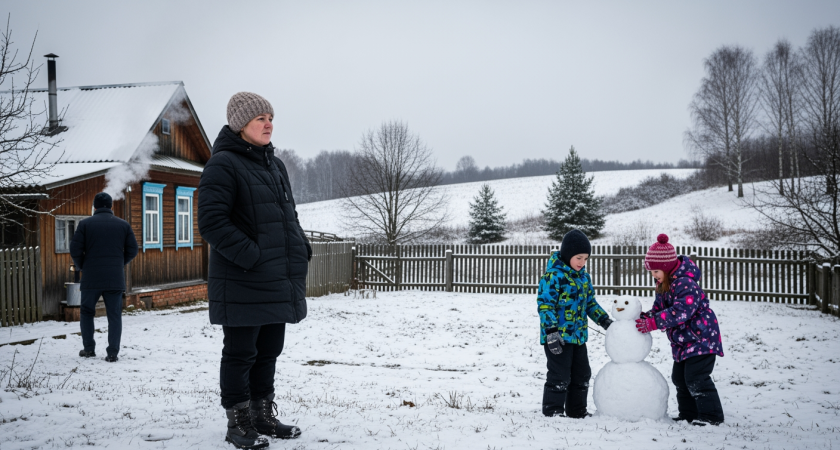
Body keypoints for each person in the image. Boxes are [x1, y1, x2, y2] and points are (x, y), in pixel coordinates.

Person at [198, 92, 312, 449]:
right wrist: (252, 256)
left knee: (269, 350)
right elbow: (212, 222)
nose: (268, 123)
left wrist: (301, 246)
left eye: (270, 117)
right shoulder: (223, 164)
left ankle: (263, 414)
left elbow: (287, 216)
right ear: (239, 124)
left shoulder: (274, 166)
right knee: (240, 352)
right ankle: (239, 422)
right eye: (259, 117)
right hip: (242, 279)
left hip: (275, 277)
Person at [635, 234, 725, 426]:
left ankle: (712, 416)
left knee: (696, 378)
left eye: (656, 271)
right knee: (680, 378)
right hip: (684, 341)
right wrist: (648, 317)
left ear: (667, 267)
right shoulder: (663, 285)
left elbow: (681, 311)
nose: (654, 276)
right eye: (651, 272)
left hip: (702, 338)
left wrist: (654, 323)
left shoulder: (685, 283)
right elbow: (660, 309)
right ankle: (689, 414)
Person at [537, 229, 612, 417]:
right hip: (557, 337)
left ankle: (577, 410)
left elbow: (590, 304)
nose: (582, 263)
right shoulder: (553, 277)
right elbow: (545, 306)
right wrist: (551, 332)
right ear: (568, 254)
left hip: (578, 338)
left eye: (586, 259)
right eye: (579, 258)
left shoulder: (584, 278)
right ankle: (553, 410)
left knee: (582, 374)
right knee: (560, 375)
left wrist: (604, 320)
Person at [69, 192, 138, 362]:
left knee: (86, 312)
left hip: (91, 277)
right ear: (111, 206)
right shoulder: (123, 225)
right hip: (114, 278)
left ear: (94, 206)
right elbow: (133, 249)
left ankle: (89, 349)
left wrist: (84, 265)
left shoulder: (85, 224)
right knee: (114, 315)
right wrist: (119, 262)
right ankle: (112, 352)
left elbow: (75, 249)